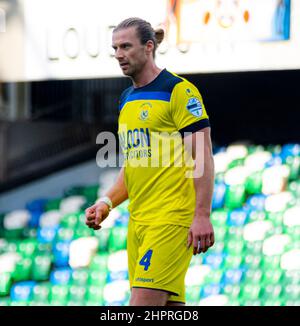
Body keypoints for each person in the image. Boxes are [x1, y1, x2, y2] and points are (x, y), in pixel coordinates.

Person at [85, 17, 215, 306]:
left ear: (148, 47)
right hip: (139, 223)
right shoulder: (126, 99)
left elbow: (202, 157)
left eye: (126, 46)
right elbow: (134, 166)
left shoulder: (179, 91)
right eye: (115, 47)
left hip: (171, 219)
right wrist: (106, 202)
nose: (119, 54)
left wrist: (202, 214)